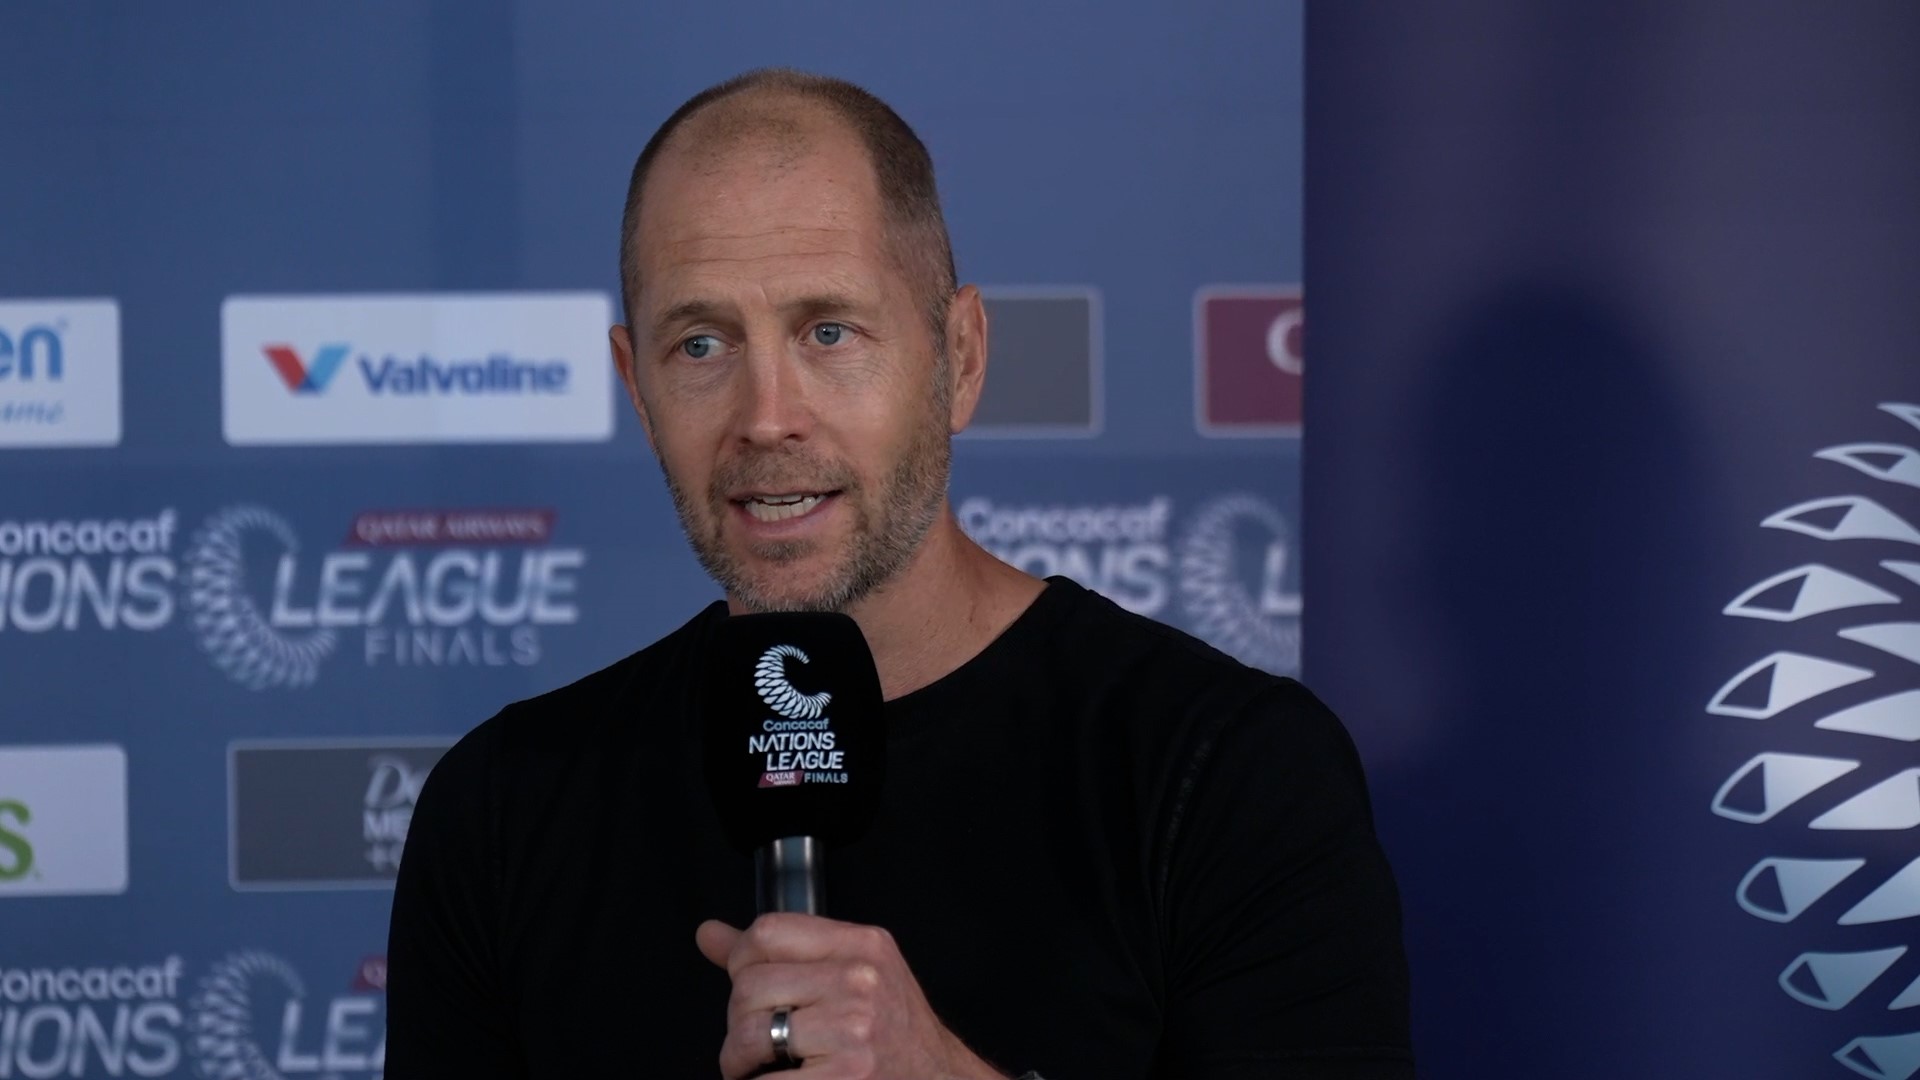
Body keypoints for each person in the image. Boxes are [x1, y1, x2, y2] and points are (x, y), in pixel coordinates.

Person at [386, 68, 1412, 1079]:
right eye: (701, 344)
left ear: (959, 356)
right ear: (637, 389)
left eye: (829, 332)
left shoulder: (1228, 773)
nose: (767, 416)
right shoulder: (504, 812)